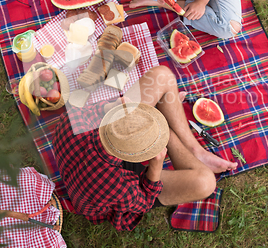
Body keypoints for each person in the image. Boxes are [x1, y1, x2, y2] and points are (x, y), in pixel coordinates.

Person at [53, 66, 237, 231]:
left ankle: (196, 151)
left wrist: (111, 106)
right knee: (206, 183)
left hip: (92, 152)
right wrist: (156, 167)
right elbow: (144, 201)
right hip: (107, 185)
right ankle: (168, 127)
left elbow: (94, 110)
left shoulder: (72, 119)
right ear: (137, 156)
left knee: (162, 75)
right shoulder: (121, 187)